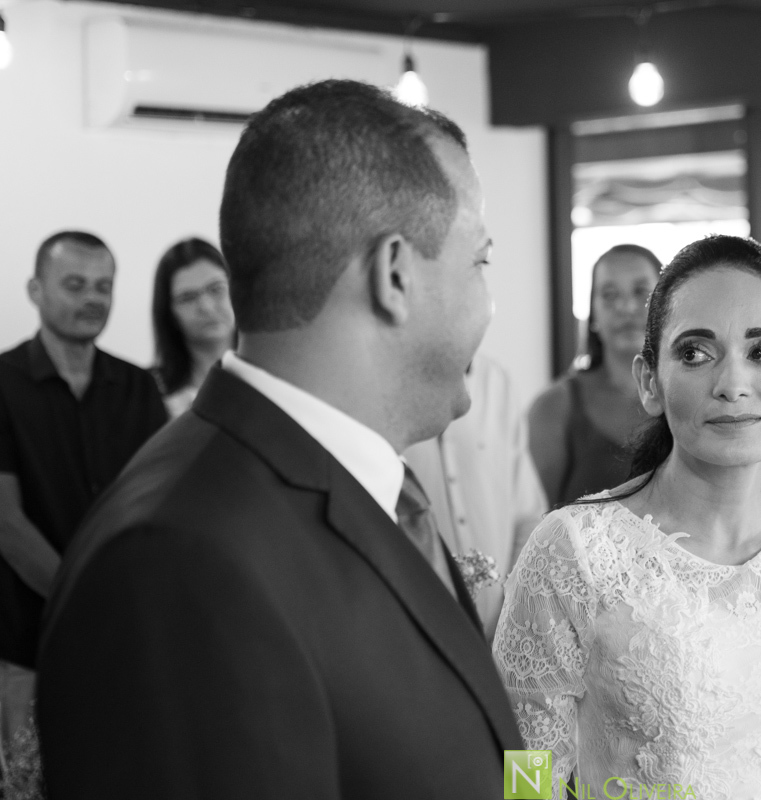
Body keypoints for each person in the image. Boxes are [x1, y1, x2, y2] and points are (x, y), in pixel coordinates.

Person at [36, 80, 522, 799]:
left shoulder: (383, 489)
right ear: (395, 275)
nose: (490, 302)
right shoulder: (179, 565)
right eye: (479, 261)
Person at [494, 235, 761, 800]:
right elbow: (525, 780)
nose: (732, 385)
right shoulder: (573, 550)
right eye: (696, 353)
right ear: (650, 381)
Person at [0, 231, 166, 769]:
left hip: (122, 636)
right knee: (28, 784)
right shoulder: (1, 382)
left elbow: (157, 501)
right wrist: (83, 600)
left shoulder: (139, 386)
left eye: (104, 286)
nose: (92, 298)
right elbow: (5, 522)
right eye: (74, 284)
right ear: (34, 289)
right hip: (27, 642)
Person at [403, 353, 547, 639]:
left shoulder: (498, 382)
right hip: (413, 626)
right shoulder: (387, 380)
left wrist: (512, 613)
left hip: (501, 629)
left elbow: (529, 516)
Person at [528, 244, 660, 506]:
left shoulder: (688, 398)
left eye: (641, 292)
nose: (625, 306)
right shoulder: (555, 407)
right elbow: (535, 523)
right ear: (594, 314)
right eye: (609, 295)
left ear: (666, 305)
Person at [151, 237, 236, 417]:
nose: (206, 306)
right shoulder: (151, 393)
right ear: (169, 313)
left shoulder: (273, 373)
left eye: (216, 289)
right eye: (188, 298)